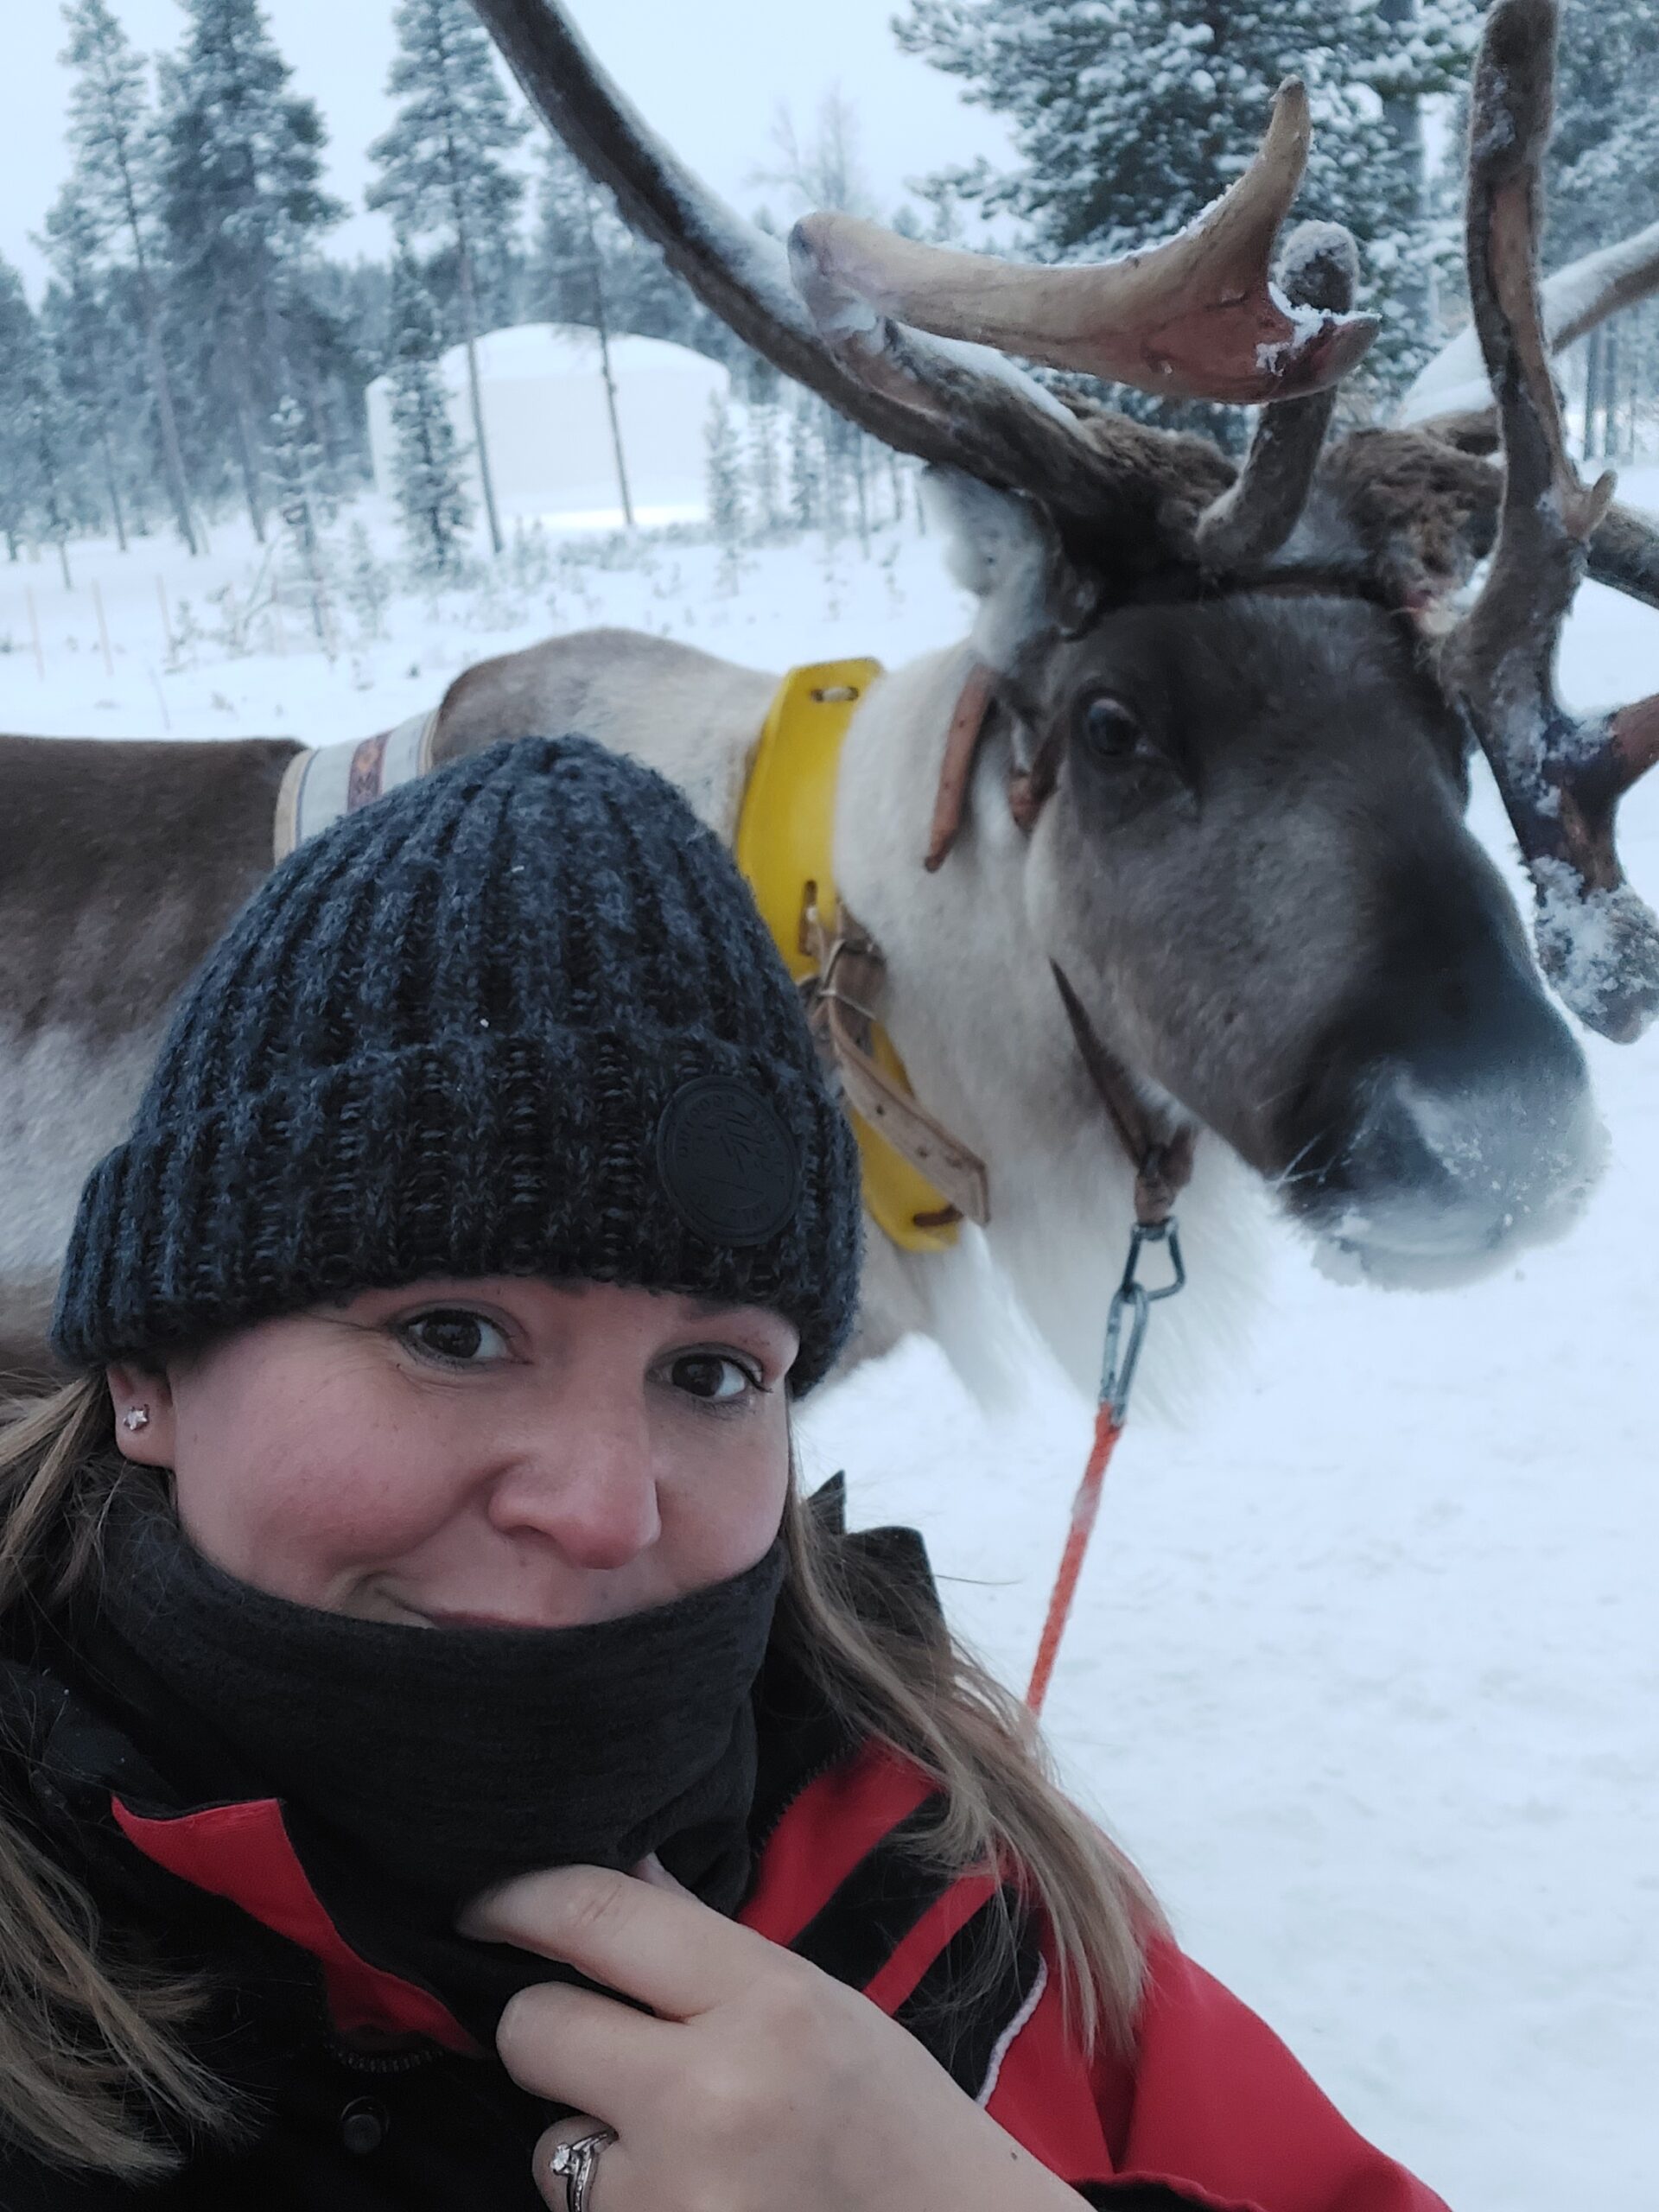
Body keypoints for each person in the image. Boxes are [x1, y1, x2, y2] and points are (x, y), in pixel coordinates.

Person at [0, 734, 1450, 2211]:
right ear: (147, 1369)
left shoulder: (964, 1890)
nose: (602, 1508)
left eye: (709, 1376)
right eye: (452, 1333)